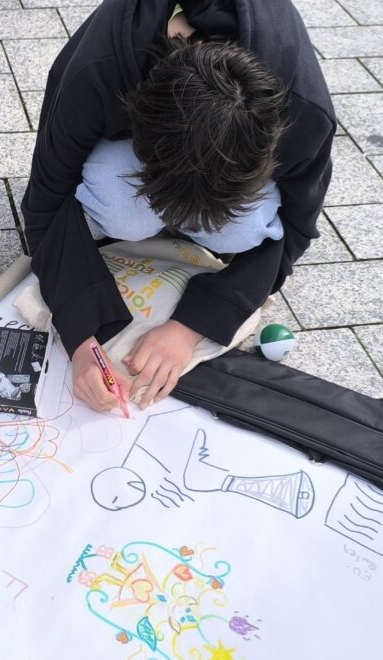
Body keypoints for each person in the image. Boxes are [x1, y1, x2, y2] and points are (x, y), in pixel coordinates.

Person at [22, 0, 335, 412]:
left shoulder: (304, 113)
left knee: (243, 228)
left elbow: (296, 230)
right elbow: (46, 199)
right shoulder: (98, 72)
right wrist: (80, 338)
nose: (173, 221)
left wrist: (189, 328)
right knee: (122, 209)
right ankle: (134, 205)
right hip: (128, 102)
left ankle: (208, 215)